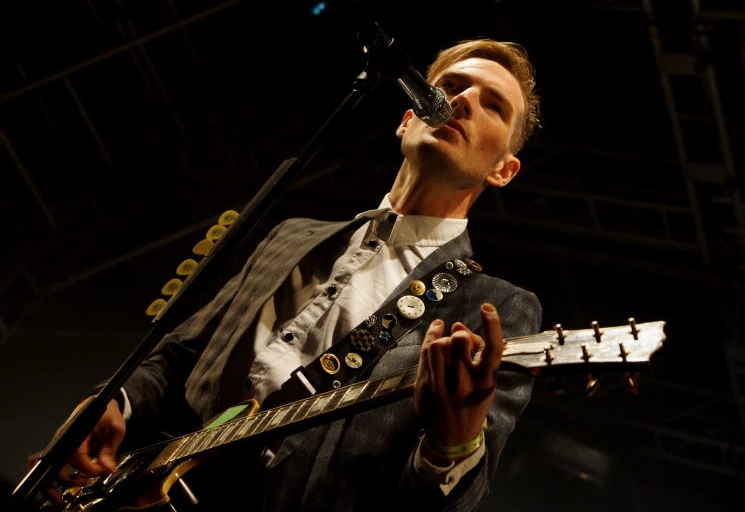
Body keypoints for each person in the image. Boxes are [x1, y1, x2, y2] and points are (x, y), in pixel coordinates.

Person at [34, 38, 542, 511]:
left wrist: (450, 445)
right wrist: (113, 402)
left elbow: (448, 499)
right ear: (407, 119)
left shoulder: (494, 306)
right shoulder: (291, 235)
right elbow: (179, 357)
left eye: (494, 104)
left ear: (504, 170)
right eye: (451, 86)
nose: (462, 100)